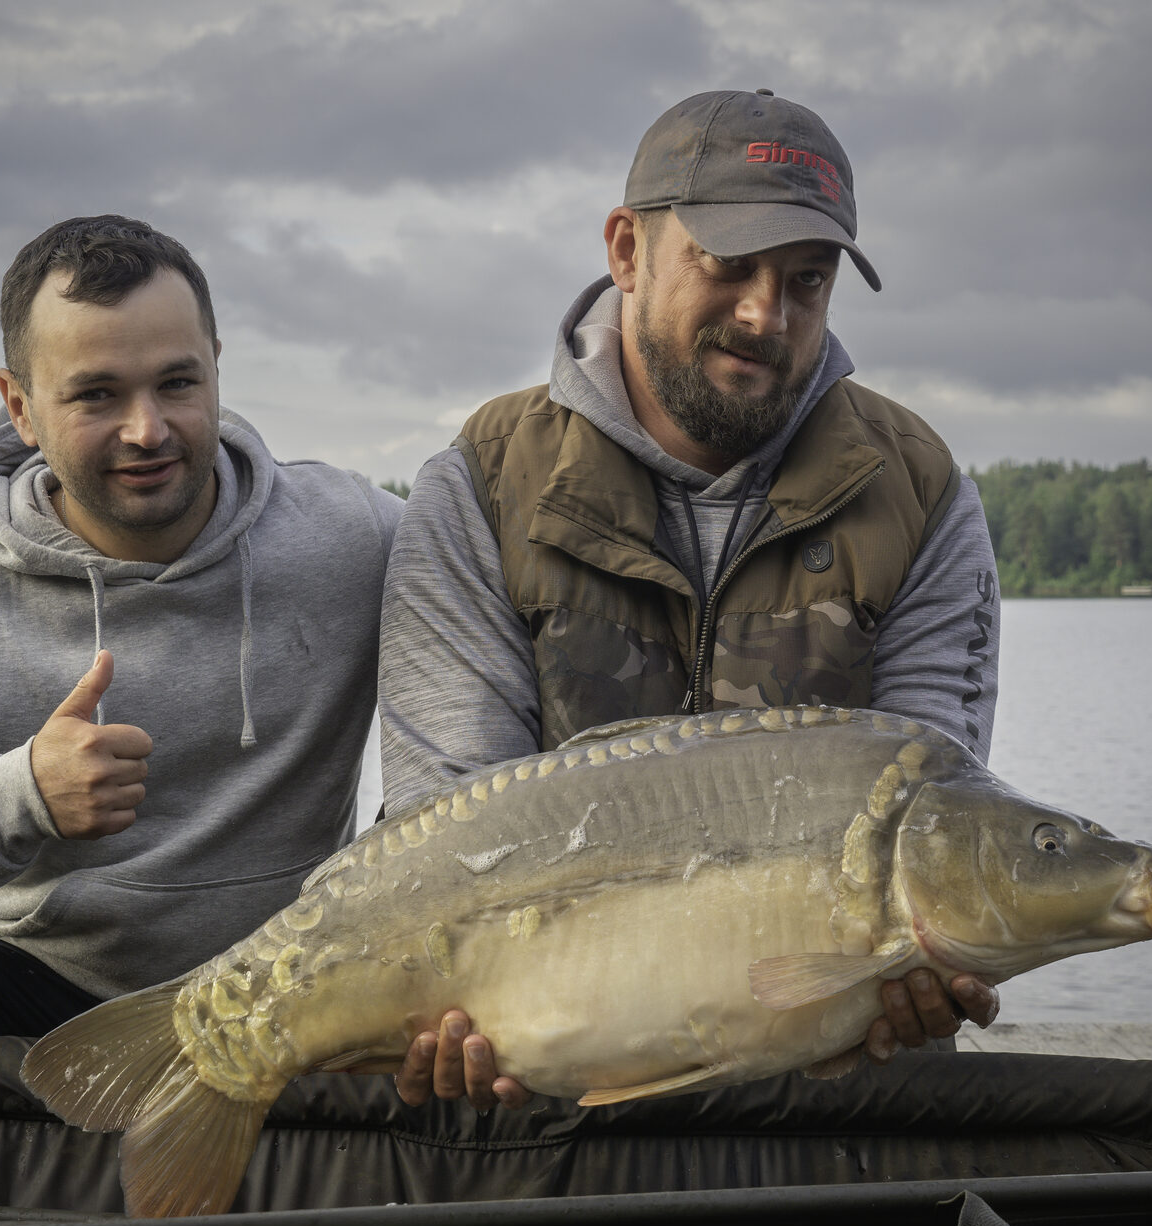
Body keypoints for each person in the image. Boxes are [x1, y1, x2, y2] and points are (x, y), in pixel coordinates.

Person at [378, 90, 1002, 1111]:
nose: (770, 316)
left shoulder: (919, 491)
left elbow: (931, 808)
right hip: (545, 1077)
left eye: (807, 281)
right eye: (731, 268)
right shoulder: (484, 483)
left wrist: (922, 974)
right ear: (627, 251)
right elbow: (444, 840)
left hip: (835, 1095)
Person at [0, 215, 402, 1037]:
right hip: (50, 995)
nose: (147, 429)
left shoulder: (358, 535)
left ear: (216, 369)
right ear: (19, 406)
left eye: (177, 383)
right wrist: (16, 795)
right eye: (98, 394)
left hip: (304, 980)